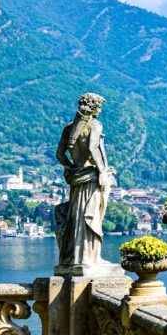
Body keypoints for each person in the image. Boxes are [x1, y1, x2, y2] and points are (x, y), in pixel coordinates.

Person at [54, 93, 116, 269]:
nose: (100, 109)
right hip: (91, 178)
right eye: (99, 106)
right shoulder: (94, 125)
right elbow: (92, 147)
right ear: (93, 106)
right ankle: (90, 257)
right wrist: (102, 170)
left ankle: (77, 257)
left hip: (77, 178)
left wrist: (71, 167)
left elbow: (60, 155)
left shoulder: (69, 128)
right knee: (91, 216)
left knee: (78, 216)